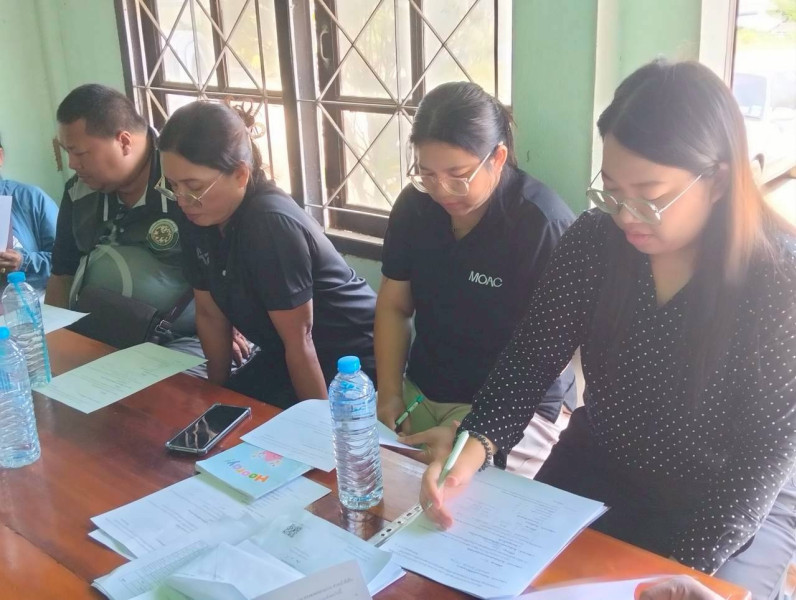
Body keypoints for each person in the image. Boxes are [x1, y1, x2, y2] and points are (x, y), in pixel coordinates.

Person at [419, 60, 796, 599]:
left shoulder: (779, 279)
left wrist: (684, 569)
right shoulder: (597, 241)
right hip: (604, 458)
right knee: (507, 576)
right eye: (612, 190)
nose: (626, 215)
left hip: (725, 499)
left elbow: (765, 453)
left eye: (649, 194)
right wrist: (472, 448)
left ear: (715, 181)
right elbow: (530, 360)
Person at [375, 81, 577, 470]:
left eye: (458, 174)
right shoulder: (415, 207)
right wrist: (389, 394)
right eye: (426, 173)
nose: (441, 190)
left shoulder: (540, 224)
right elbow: (394, 306)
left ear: (497, 158)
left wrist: (477, 434)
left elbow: (548, 355)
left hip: (512, 408)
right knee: (371, 475)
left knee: (457, 491)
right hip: (424, 391)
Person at [158, 101, 377, 408]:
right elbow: (209, 314)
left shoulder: (270, 225)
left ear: (240, 174)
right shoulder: (198, 214)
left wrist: (319, 428)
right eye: (172, 185)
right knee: (219, 414)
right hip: (283, 354)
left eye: (193, 186)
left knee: (280, 429)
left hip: (350, 361)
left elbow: (301, 341)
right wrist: (216, 391)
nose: (181, 199)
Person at [46, 84, 249, 365]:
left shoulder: (185, 181)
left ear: (124, 142)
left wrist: (228, 327)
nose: (71, 164)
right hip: (101, 332)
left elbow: (235, 266)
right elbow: (62, 274)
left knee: (171, 391)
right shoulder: (79, 192)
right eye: (67, 152)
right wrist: (53, 344)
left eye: (79, 153)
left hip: (186, 338)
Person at [0, 135, 58, 294]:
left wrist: (23, 262)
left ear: (0, 157)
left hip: (36, 302)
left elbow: (69, 263)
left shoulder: (31, 199)